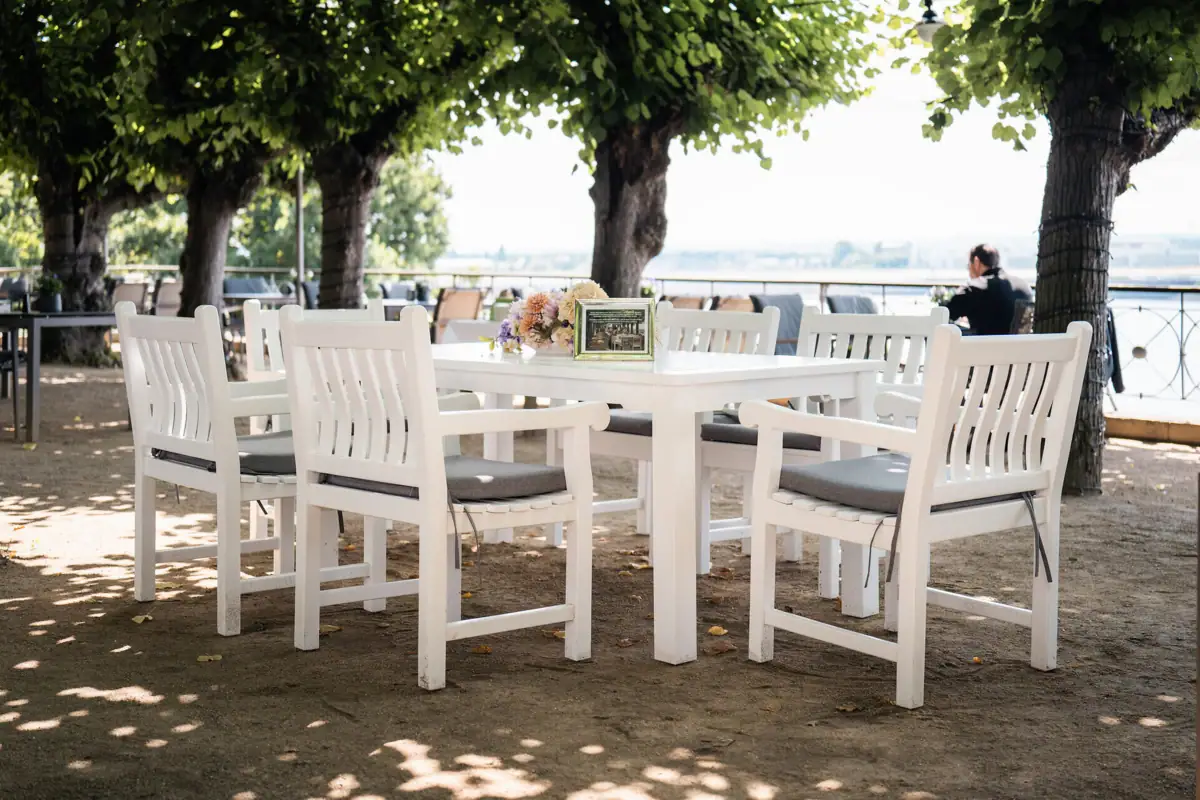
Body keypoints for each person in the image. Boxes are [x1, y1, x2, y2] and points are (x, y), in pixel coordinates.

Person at [942, 244, 1033, 335]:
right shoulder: (1024, 286)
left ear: (976, 262)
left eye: (968, 265)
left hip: (985, 347)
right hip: (1019, 347)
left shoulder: (974, 287)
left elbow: (945, 314)